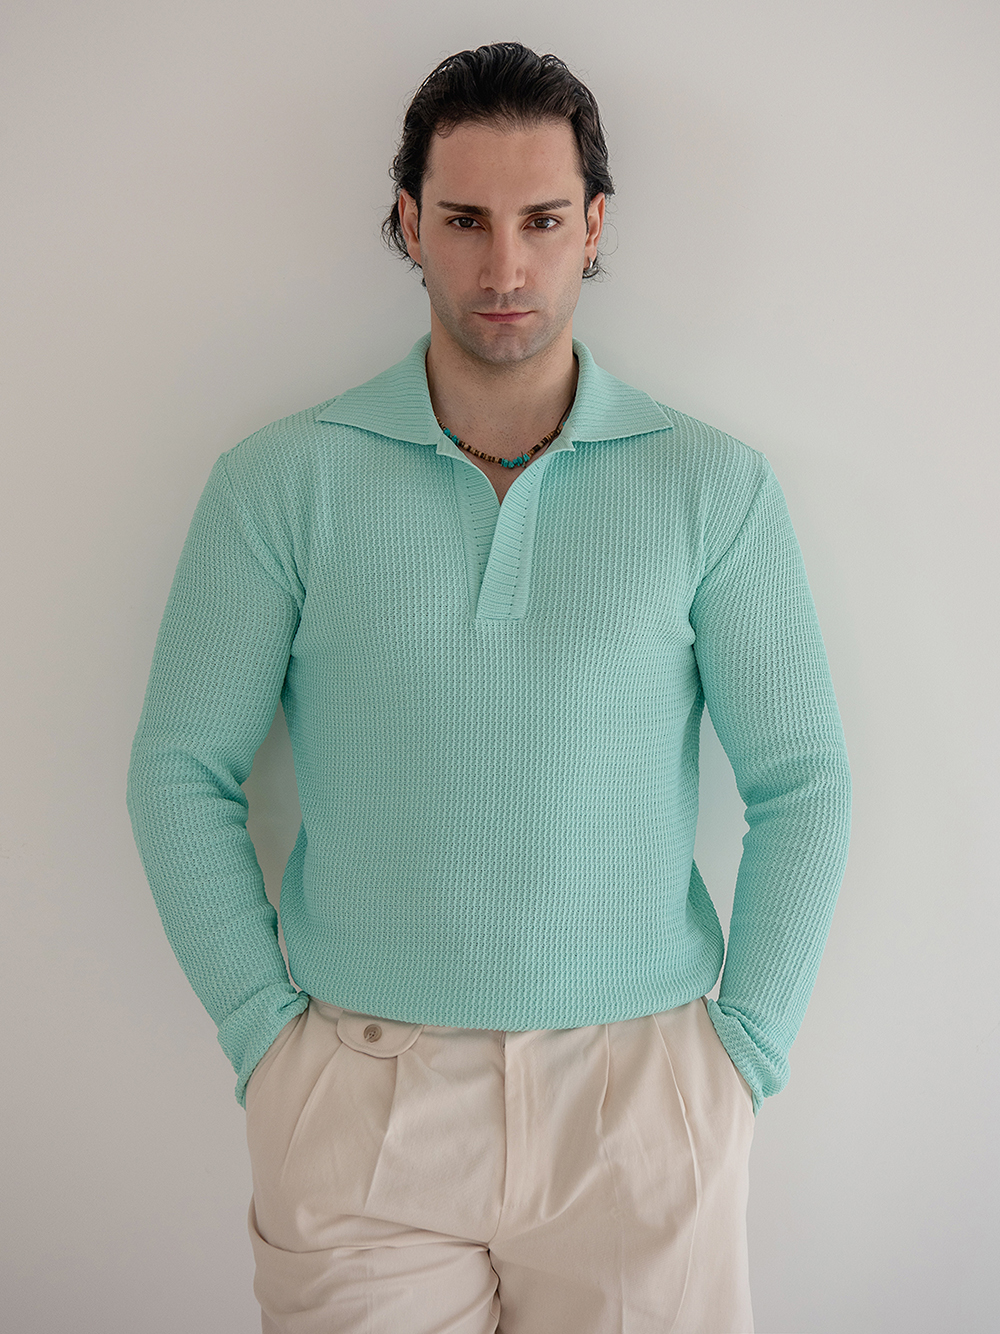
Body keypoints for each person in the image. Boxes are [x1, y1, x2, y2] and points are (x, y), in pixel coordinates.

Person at [127, 41, 851, 1334]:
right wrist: (264, 1039)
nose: (505, 267)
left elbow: (804, 782)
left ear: (595, 227)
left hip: (642, 1100)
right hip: (365, 1098)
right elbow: (179, 772)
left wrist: (742, 1055)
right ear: (410, 223)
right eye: (464, 220)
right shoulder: (280, 483)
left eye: (542, 221)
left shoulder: (711, 487)